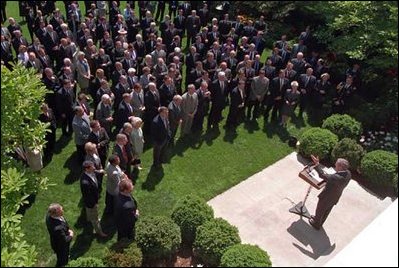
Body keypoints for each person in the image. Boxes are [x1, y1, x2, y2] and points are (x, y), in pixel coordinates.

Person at [308, 155, 351, 230]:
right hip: (335, 197)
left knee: (320, 209)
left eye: (336, 164)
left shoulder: (335, 178)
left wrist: (317, 164)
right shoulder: (348, 173)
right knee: (326, 211)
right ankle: (320, 221)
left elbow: (322, 175)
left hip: (327, 197)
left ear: (340, 167)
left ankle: (316, 224)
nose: (335, 165)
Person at [80, 160, 107, 237]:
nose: (94, 168)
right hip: (91, 202)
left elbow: (96, 172)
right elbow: (88, 196)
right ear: (87, 169)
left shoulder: (91, 172)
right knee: (95, 218)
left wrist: (101, 172)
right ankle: (99, 232)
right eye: (92, 167)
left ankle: (90, 218)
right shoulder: (85, 183)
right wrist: (94, 204)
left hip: (94, 197)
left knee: (92, 215)